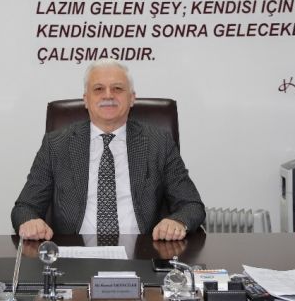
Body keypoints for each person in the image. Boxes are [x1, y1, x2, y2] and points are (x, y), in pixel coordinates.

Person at [11, 59, 205, 241]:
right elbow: (24, 207)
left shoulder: (159, 142)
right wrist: (30, 221)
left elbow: (192, 205)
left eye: (117, 88)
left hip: (142, 252)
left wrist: (177, 221)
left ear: (132, 98)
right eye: (98, 89)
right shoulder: (56, 144)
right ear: (86, 99)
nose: (108, 95)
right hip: (74, 253)